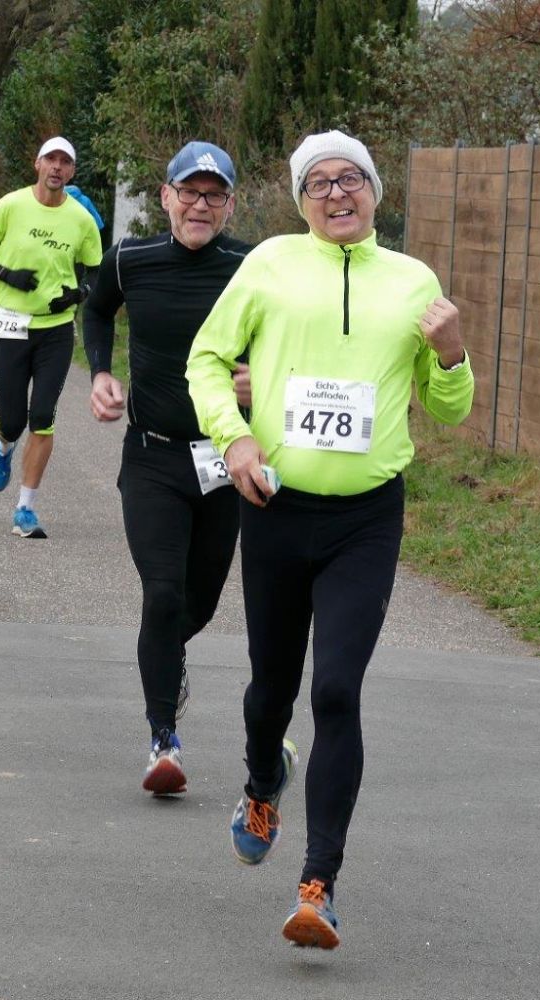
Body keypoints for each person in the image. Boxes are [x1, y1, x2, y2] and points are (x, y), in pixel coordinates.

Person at [187, 130, 474, 949]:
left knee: (337, 691)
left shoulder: (412, 280)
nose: (336, 192)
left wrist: (451, 355)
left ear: (375, 191)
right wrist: (236, 440)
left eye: (351, 178)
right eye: (318, 182)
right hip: (275, 505)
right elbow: (207, 360)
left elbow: (448, 408)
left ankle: (317, 886)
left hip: (364, 519)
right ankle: (260, 784)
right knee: (270, 689)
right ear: (299, 200)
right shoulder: (270, 264)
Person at [82, 141, 252, 797]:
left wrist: (264, 379)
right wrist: (101, 372)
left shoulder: (252, 269)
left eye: (214, 195)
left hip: (225, 460)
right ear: (165, 197)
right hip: (152, 455)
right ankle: (163, 740)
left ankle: (165, 656)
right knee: (162, 593)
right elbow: (97, 309)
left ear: (230, 204)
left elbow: (292, 340)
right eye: (189, 192)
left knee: (197, 603)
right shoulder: (130, 259)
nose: (199, 205)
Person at [0, 136, 102, 539]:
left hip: (56, 330)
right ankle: (4, 445)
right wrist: (7, 275)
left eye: (65, 162)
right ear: (37, 164)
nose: (57, 167)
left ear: (72, 171)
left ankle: (25, 509)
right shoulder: (11, 205)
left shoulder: (81, 219)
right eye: (50, 159)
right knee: (13, 420)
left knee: (42, 417)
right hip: (11, 323)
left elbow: (96, 270)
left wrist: (79, 295)